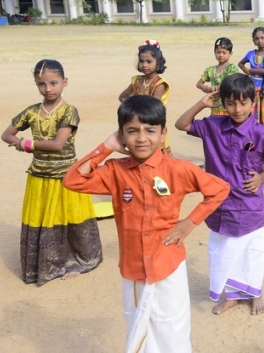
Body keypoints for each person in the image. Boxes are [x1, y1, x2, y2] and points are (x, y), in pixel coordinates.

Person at [63, 95, 230, 353]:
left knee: (173, 326)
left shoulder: (179, 169)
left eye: (150, 130)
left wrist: (189, 222)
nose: (141, 138)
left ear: (163, 134)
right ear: (121, 135)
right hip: (134, 269)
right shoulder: (115, 171)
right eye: (132, 131)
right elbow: (72, 181)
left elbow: (219, 189)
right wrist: (106, 147)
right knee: (137, 324)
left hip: (168, 263)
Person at [175, 74, 264, 316]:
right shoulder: (213, 126)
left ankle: (255, 294)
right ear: (222, 103)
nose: (237, 109)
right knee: (223, 252)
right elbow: (181, 124)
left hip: (248, 205)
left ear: (253, 102)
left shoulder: (262, 134)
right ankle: (231, 296)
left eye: (243, 103)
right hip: (219, 205)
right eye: (230, 103)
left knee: (251, 251)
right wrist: (202, 103)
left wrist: (262, 177)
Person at [1, 59, 103, 286]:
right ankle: (47, 263)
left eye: (53, 83)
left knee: (67, 216)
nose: (48, 89)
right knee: (44, 217)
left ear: (65, 82)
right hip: (39, 175)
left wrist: (26, 144)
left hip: (65, 176)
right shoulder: (31, 111)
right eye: (42, 84)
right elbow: (6, 134)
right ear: (36, 84)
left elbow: (58, 144)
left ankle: (71, 260)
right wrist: (18, 142)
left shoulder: (69, 111)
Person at [119, 39, 173, 156]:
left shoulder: (160, 83)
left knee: (155, 153)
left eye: (149, 61)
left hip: (152, 123)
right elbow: (122, 97)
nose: (144, 65)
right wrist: (131, 107)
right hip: (136, 122)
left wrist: (135, 104)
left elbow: (153, 107)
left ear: (158, 63)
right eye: (141, 61)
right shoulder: (136, 80)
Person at [196, 37, 240, 116]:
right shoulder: (210, 70)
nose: (220, 55)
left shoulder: (231, 68)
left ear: (230, 53)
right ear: (214, 52)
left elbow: (228, 85)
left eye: (224, 52)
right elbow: (198, 84)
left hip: (229, 108)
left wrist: (211, 89)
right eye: (218, 52)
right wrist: (205, 88)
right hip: (215, 108)